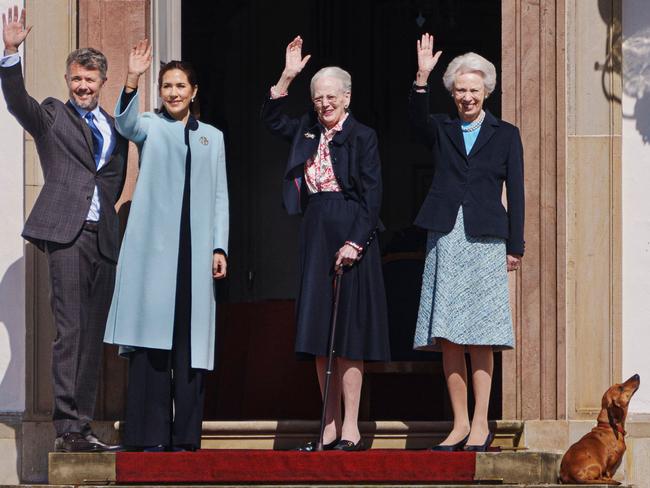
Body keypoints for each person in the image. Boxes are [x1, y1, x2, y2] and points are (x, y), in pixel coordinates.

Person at [0, 6, 128, 452]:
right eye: (76, 78)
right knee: (69, 331)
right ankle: (66, 429)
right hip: (66, 236)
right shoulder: (53, 115)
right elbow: (19, 104)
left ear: (101, 82)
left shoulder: (113, 127)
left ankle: (83, 426)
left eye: (90, 79)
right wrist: (11, 52)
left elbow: (112, 179)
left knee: (92, 337)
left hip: (102, 238)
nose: (83, 85)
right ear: (69, 79)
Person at [261, 36, 390, 451]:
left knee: (349, 334)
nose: (323, 104)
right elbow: (270, 119)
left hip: (353, 233)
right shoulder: (306, 129)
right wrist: (287, 76)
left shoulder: (363, 136)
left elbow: (373, 196)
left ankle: (351, 427)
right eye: (317, 98)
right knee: (319, 332)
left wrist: (355, 242)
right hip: (316, 230)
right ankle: (328, 426)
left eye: (330, 97)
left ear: (347, 98)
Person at [103, 40, 229, 452]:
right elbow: (124, 125)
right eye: (167, 86)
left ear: (194, 91)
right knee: (153, 346)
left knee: (189, 348)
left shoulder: (213, 137)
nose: (173, 92)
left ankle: (185, 439)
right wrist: (132, 77)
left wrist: (219, 247)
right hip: (155, 255)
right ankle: (149, 436)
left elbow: (219, 198)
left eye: (180, 86)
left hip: (195, 255)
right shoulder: (150, 125)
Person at [409, 34, 525, 452]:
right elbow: (414, 122)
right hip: (446, 235)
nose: (467, 96)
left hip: (487, 237)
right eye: (460, 89)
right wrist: (422, 77)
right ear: (452, 93)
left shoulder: (506, 133)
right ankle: (458, 423)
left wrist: (517, 245)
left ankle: (481, 423)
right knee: (449, 335)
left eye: (474, 89)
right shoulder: (442, 128)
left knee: (481, 333)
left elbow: (518, 189)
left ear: (486, 92)